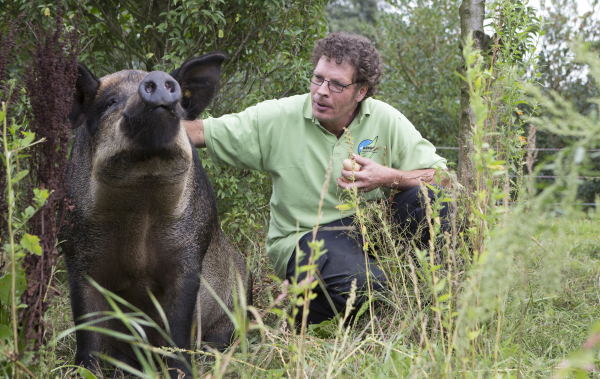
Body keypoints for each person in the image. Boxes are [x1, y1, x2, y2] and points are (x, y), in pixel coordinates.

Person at [184, 32, 450, 324]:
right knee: (372, 288)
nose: (321, 91)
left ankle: (435, 305)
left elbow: (443, 178)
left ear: (361, 92)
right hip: (306, 237)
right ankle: (308, 311)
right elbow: (197, 132)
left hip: (370, 227)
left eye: (336, 84)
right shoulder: (278, 117)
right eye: (318, 78)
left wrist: (388, 177)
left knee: (433, 202)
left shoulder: (385, 119)